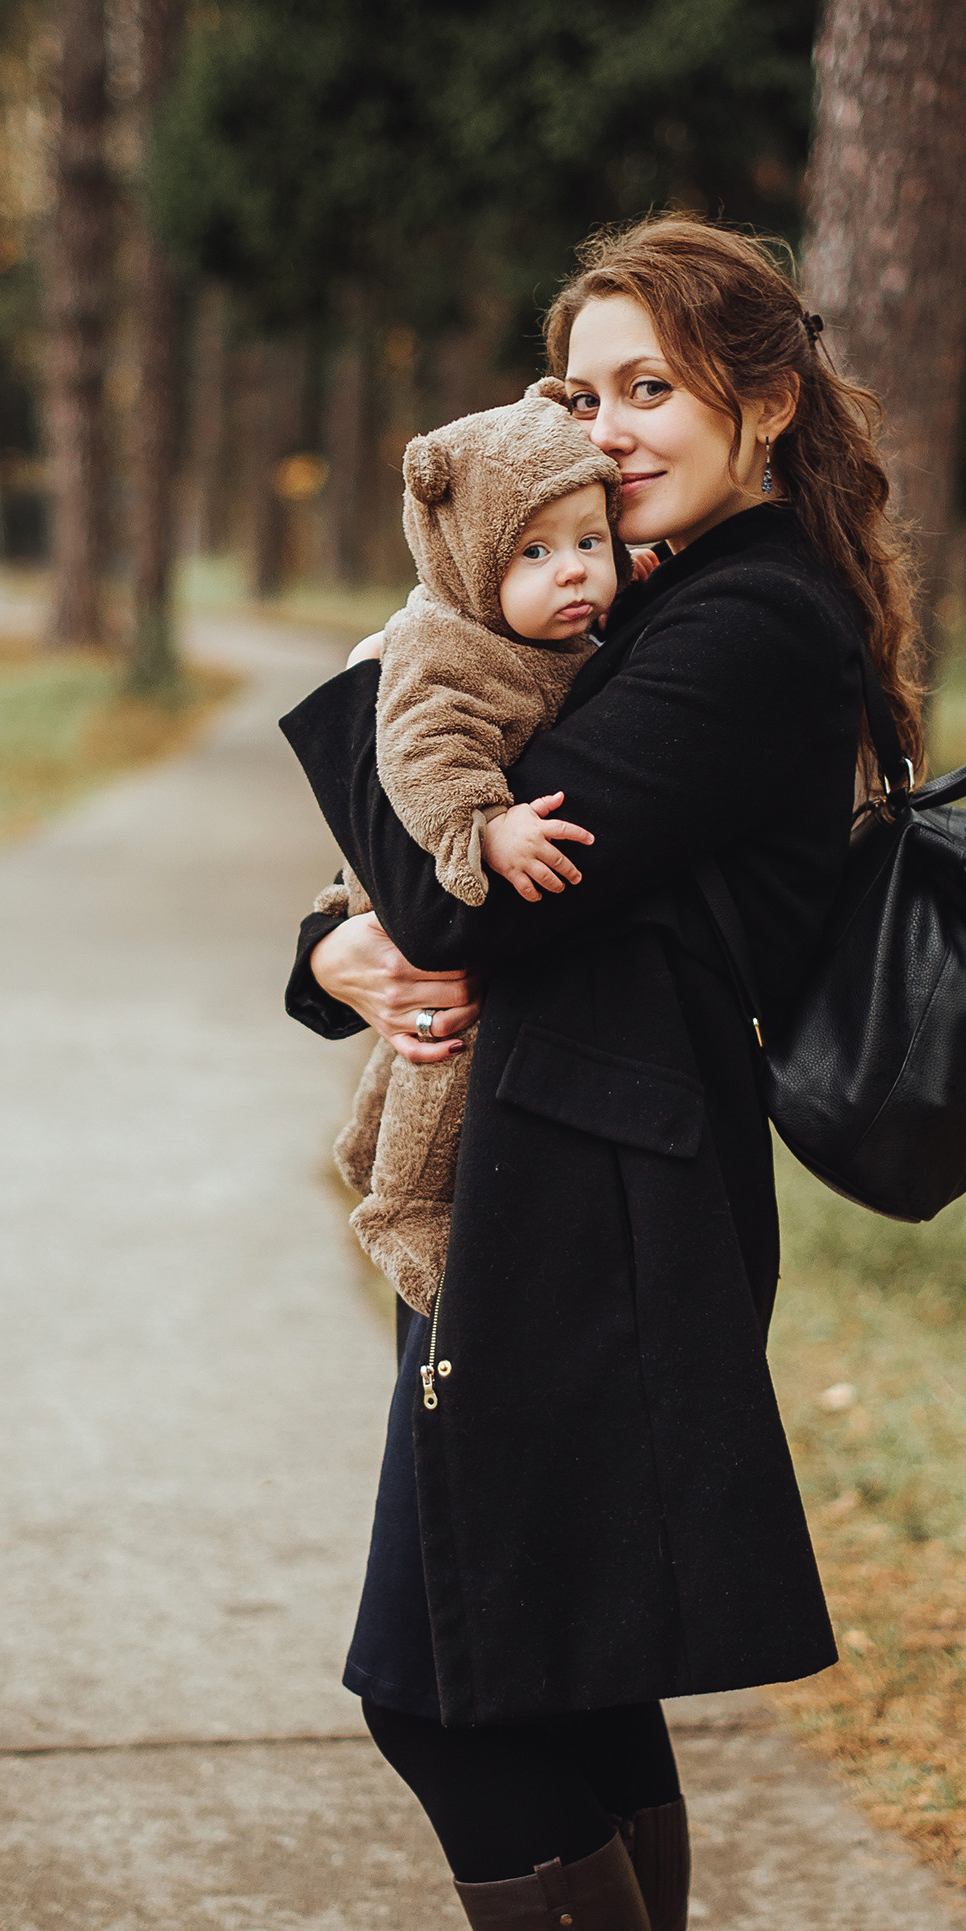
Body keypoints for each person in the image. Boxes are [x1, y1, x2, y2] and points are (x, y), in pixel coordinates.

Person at [279, 217, 926, 1931]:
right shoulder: (657, 605)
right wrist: (336, 947)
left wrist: (370, 891)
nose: (604, 428)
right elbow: (434, 890)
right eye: (577, 390)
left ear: (760, 398)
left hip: (599, 1205)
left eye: (645, 385)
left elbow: (467, 897)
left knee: (442, 1677)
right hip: (564, 1185)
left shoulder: (747, 628)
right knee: (554, 1661)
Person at [321, 393, 627, 1312]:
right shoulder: (441, 646)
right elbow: (420, 751)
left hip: (427, 867)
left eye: (591, 542)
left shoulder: (546, 629)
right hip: (419, 861)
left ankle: (362, 1147)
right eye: (534, 552)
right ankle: (404, 1205)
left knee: (429, 1035)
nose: (573, 573)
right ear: (464, 556)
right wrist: (486, 827)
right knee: (443, 1048)